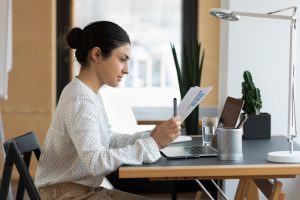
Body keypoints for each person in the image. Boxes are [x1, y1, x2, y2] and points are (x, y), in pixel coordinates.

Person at [34, 21, 182, 200]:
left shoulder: (88, 94)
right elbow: (96, 162)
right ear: (97, 54)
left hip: (81, 191)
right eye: (122, 59)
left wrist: (150, 137)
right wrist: (154, 144)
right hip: (66, 195)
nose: (126, 70)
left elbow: (108, 139)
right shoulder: (80, 99)